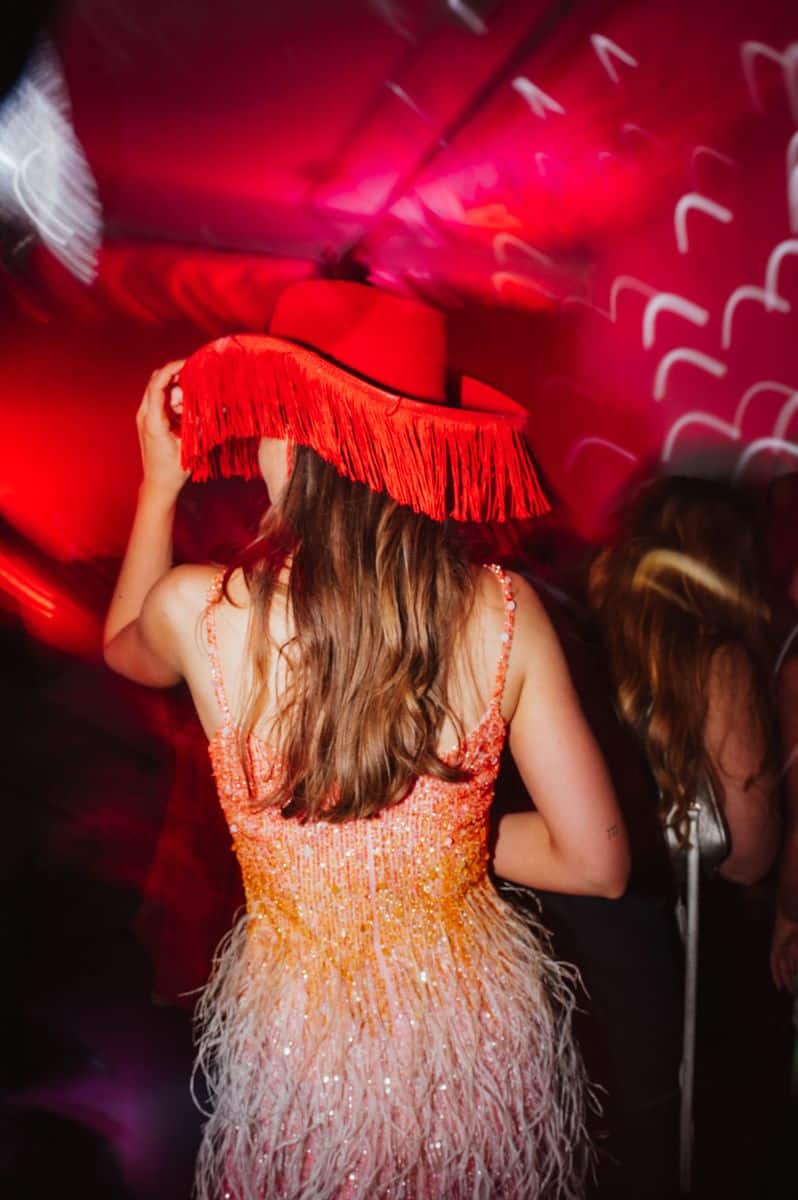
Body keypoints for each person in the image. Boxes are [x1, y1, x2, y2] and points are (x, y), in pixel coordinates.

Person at [102, 280, 629, 1200]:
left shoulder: (196, 610)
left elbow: (123, 649)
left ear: (303, 445)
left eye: (273, 422)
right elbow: (598, 862)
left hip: (304, 1050)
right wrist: (434, 843)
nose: (258, 447)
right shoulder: (504, 612)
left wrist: (158, 488)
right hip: (471, 1040)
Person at [588, 473, 783, 1199]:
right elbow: (749, 852)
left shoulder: (587, 637)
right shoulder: (720, 661)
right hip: (696, 958)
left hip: (601, 941)